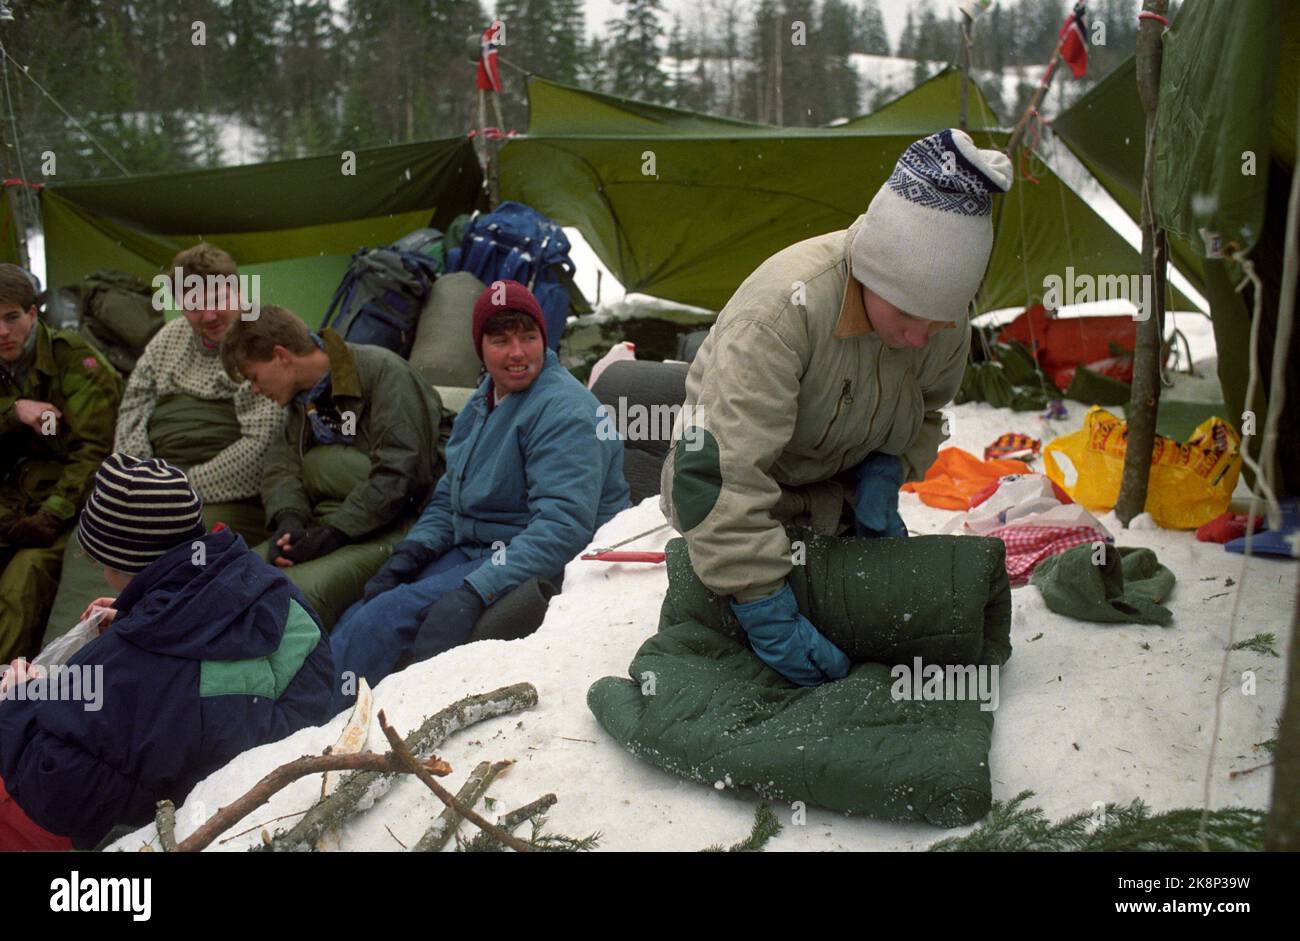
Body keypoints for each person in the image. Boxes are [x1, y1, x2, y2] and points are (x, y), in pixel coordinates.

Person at [660, 128, 1014, 687]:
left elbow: (927, 412)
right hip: (740, 511)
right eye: (908, 316)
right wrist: (762, 605)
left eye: (940, 320)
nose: (923, 339)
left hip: (836, 504)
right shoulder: (780, 314)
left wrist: (890, 468)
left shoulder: (939, 324)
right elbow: (711, 478)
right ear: (874, 271)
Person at [0, 454, 334, 850]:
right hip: (290, 774)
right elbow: (194, 666)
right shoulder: (265, 585)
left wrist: (18, 701)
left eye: (97, 558)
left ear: (120, 560)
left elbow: (58, 794)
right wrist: (137, 612)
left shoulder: (131, 661)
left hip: (185, 821)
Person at [329, 280, 629, 703]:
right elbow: (452, 491)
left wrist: (476, 590)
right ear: (480, 348)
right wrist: (412, 552)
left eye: (529, 337)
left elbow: (563, 530)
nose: (518, 353)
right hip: (478, 546)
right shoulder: (484, 400)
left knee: (383, 619)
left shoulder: (565, 411)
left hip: (541, 558)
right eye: (501, 340)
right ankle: (317, 706)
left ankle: (313, 730)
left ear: (545, 338)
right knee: (360, 610)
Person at [220, 304, 448, 628]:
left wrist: (334, 533)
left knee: (290, 600)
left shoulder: (383, 372)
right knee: (225, 579)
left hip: (397, 524)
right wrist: (290, 520)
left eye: (254, 377)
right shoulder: (302, 400)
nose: (255, 390)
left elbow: (403, 472)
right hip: (331, 522)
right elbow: (282, 466)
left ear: (282, 356)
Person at [0, 264, 122, 663]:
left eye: (11, 318)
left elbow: (93, 453)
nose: (2, 332)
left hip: (64, 508)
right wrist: (14, 411)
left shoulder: (75, 363)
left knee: (21, 584)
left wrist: (51, 515)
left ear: (33, 313)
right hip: (10, 502)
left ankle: (9, 690)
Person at [114, 243, 281, 522]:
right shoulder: (168, 339)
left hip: (225, 493)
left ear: (239, 293)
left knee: (173, 544)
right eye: (193, 307)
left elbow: (262, 444)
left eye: (217, 300)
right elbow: (133, 409)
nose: (209, 316)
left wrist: (180, 490)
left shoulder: (264, 341)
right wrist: (141, 481)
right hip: (156, 484)